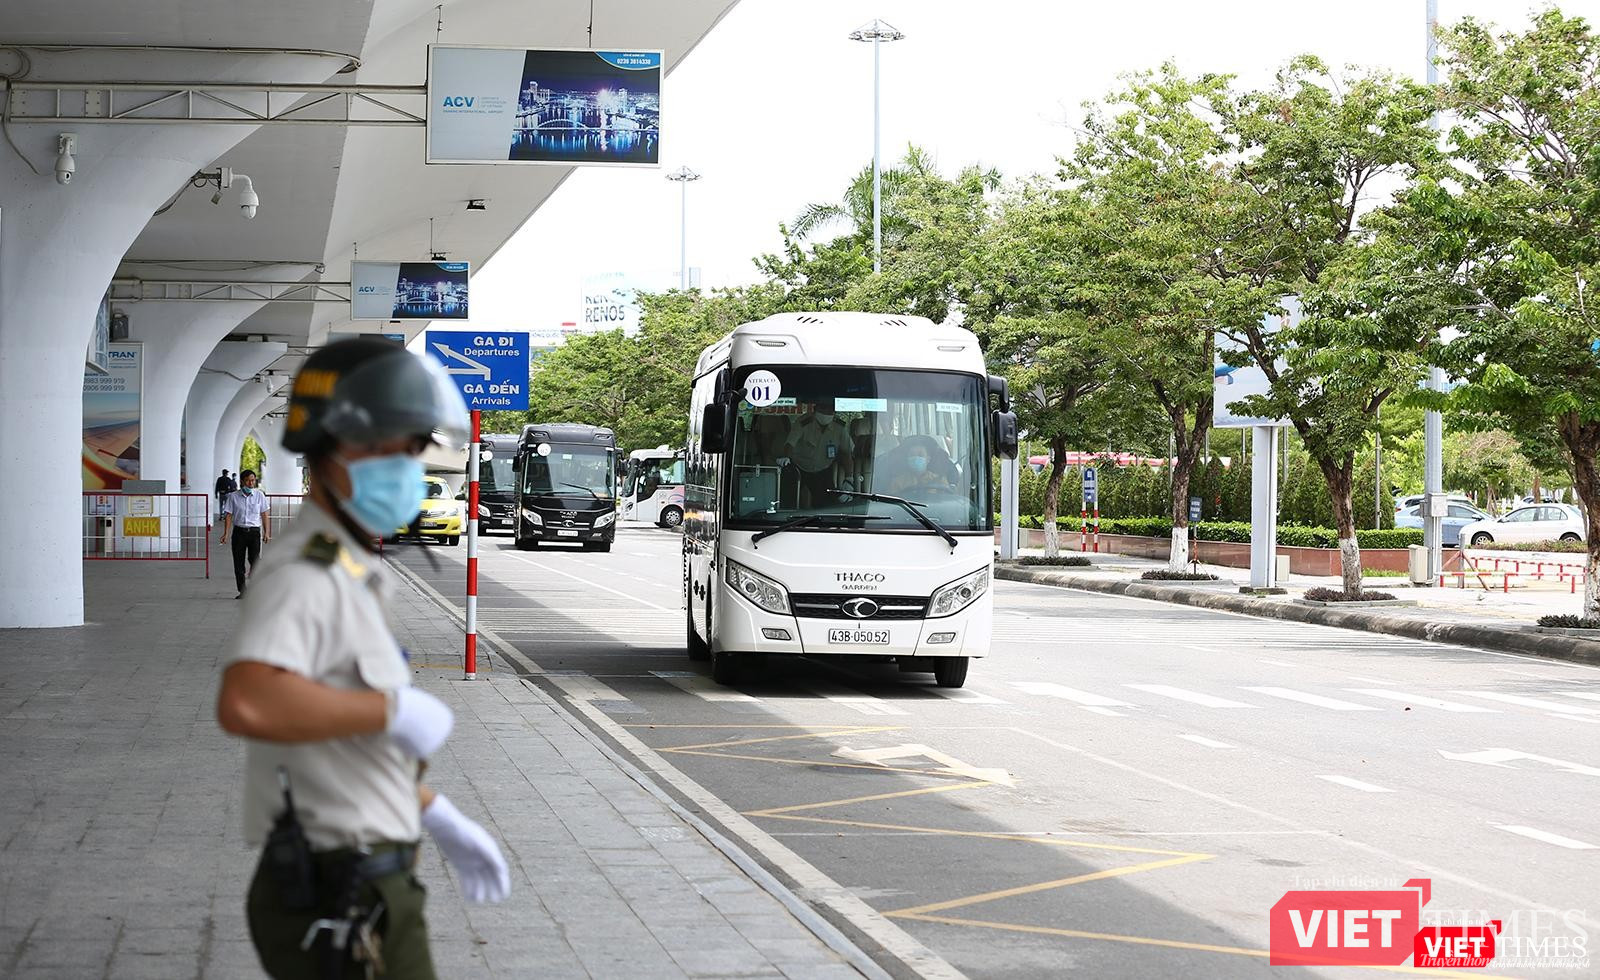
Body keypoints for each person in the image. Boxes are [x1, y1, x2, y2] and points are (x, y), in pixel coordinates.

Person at [215, 338, 509, 980]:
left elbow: (339, 742)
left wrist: (432, 809)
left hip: (362, 873)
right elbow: (246, 699)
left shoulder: (346, 564)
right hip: (337, 885)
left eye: (409, 448)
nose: (402, 465)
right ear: (324, 447)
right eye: (381, 448)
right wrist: (392, 707)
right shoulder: (305, 571)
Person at [781, 403, 851, 507]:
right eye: (823, 408)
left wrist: (849, 478)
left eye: (830, 410)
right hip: (799, 468)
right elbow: (790, 444)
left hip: (823, 470)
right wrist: (786, 456)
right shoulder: (803, 422)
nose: (826, 412)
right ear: (815, 409)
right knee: (788, 501)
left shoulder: (839, 427)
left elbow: (846, 453)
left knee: (825, 506)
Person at [219, 469, 271, 598]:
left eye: (253, 480)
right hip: (239, 533)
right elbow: (229, 515)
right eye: (247, 480)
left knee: (255, 561)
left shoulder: (260, 495)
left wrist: (266, 532)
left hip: (254, 533)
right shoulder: (233, 496)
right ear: (242, 481)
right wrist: (226, 533)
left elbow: (264, 514)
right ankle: (242, 591)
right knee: (238, 562)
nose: (250, 483)